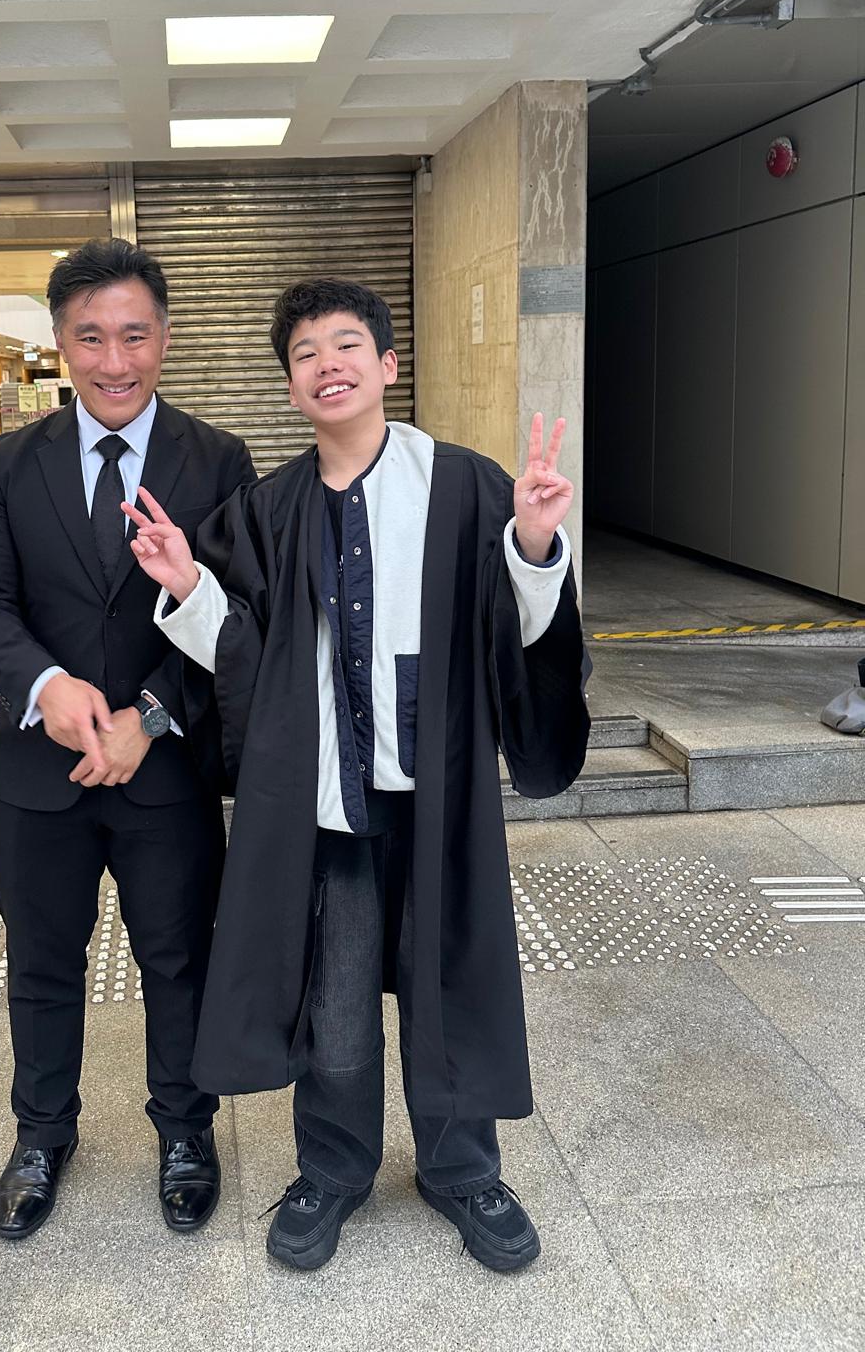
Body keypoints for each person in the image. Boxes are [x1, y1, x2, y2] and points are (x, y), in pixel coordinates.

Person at [123, 279, 590, 1274]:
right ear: (291, 386)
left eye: (346, 345)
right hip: (332, 809)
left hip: (439, 800)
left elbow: (514, 630)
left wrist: (535, 542)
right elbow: (244, 654)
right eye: (305, 353)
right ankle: (333, 1168)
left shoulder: (462, 486)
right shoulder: (268, 510)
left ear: (386, 365)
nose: (326, 364)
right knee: (333, 1005)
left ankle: (462, 1170)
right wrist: (189, 584)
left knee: (448, 982)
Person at [0, 238, 255, 1243]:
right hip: (40, 773)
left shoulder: (218, 460)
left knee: (179, 958)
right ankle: (42, 1135)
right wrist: (46, 685)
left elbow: (238, 615)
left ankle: (186, 1130)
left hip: (166, 774)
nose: (114, 361)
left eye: (134, 335)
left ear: (164, 337)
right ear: (60, 341)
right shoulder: (9, 464)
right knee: (42, 962)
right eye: (91, 337)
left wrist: (149, 716)